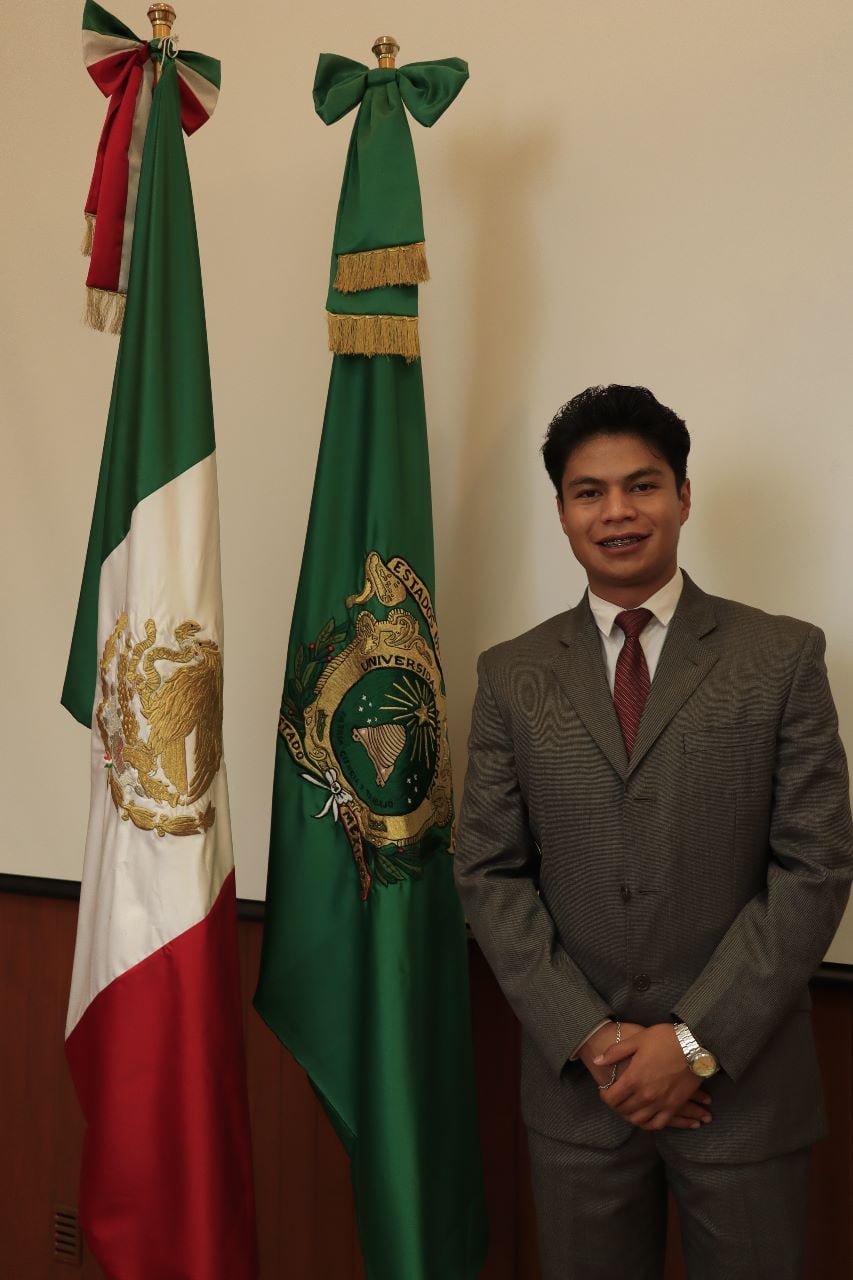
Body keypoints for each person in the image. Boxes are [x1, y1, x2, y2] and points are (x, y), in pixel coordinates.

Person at [453, 384, 853, 1280]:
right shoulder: (513, 675)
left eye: (642, 485)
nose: (618, 512)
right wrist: (594, 1040)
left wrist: (692, 1042)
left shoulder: (779, 655)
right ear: (559, 510)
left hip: (744, 1092)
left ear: (681, 495)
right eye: (589, 491)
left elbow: (815, 865)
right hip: (578, 1097)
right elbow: (487, 871)